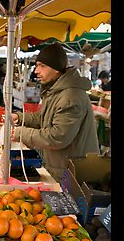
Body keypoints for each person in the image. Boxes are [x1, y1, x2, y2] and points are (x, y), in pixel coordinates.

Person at [11, 42, 100, 182]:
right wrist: (19, 117)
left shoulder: (70, 97)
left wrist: (19, 133)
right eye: (37, 65)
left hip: (73, 174)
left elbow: (57, 137)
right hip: (60, 167)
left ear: (56, 68)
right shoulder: (55, 91)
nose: (36, 71)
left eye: (42, 66)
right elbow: (42, 118)